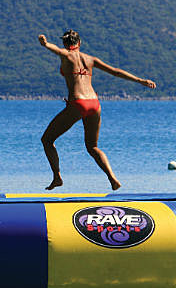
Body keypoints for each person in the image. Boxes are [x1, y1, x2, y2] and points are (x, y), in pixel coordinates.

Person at [38, 30, 156, 191]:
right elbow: (115, 71)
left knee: (47, 140)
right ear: (79, 43)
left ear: (65, 44)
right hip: (94, 104)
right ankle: (113, 178)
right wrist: (140, 80)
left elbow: (56, 50)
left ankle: (57, 177)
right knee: (92, 146)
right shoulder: (90, 59)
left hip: (78, 103)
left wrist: (45, 44)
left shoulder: (66, 55)